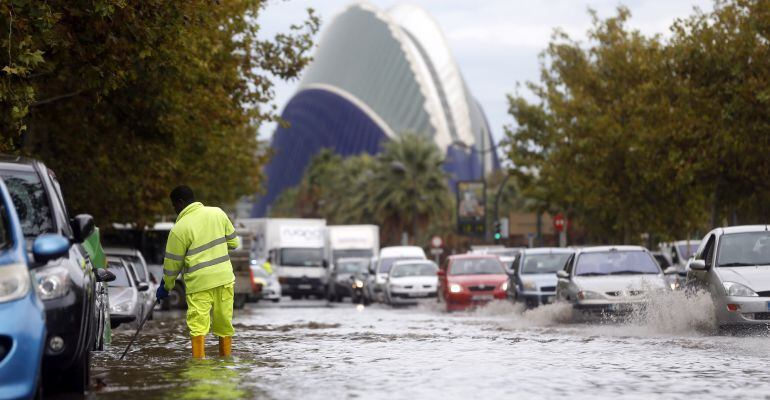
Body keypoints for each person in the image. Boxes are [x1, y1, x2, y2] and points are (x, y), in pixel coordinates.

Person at [155, 185, 240, 358]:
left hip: (199, 284)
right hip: (224, 279)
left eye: (174, 206)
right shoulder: (218, 213)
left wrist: (167, 286)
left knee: (198, 327)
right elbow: (234, 243)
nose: (175, 210)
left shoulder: (179, 229)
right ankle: (225, 363)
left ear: (180, 203)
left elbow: (172, 265)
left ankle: (199, 367)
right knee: (224, 324)